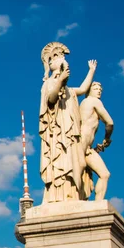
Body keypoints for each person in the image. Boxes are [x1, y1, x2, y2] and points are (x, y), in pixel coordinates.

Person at [39, 42, 97, 203]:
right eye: (64, 66)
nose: (67, 68)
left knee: (77, 163)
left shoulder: (70, 91)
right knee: (62, 164)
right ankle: (60, 197)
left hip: (72, 136)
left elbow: (84, 89)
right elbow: (51, 99)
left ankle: (74, 194)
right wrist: (60, 80)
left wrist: (91, 71)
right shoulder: (49, 84)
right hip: (58, 138)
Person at [79, 82, 114, 200]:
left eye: (100, 89)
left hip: (86, 147)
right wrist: (107, 138)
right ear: (88, 90)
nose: (99, 91)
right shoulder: (93, 101)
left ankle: (98, 205)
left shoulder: (83, 104)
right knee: (76, 175)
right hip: (81, 144)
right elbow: (109, 123)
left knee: (104, 174)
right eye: (95, 88)